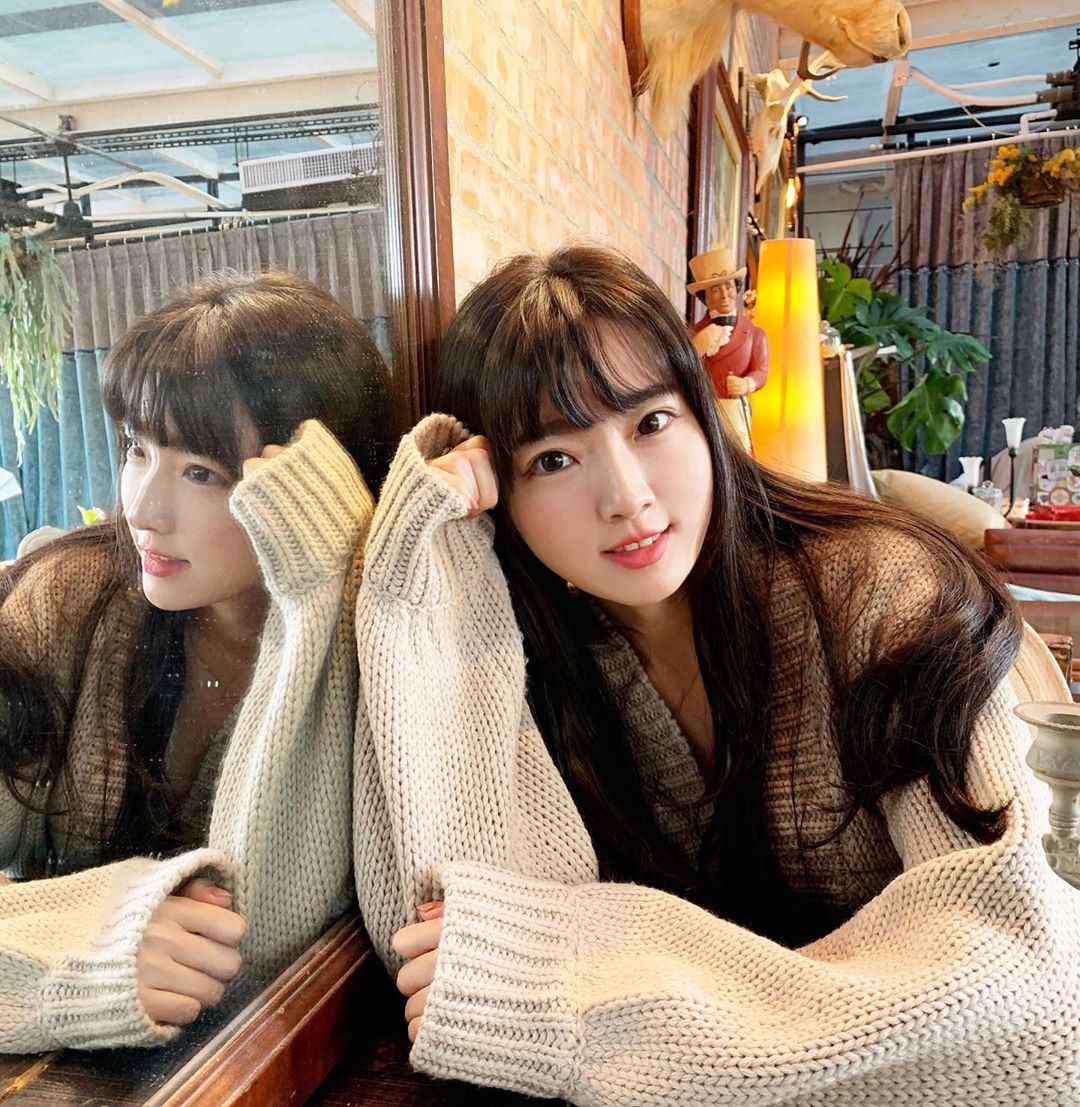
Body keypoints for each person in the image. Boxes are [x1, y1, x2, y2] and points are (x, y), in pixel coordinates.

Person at [353, 244, 1080, 1106]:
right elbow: (438, 945)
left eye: (651, 423)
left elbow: (1034, 1001)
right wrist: (423, 546)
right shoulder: (546, 665)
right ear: (500, 497)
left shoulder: (881, 594)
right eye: (553, 459)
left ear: (704, 417)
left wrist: (608, 988)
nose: (626, 496)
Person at [0, 270, 389, 1053]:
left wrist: (314, 597)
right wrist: (82, 947)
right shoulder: (70, 599)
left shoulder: (374, 646)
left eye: (202, 472)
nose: (141, 508)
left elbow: (265, 944)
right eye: (136, 450)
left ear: (316, 488)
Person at [687, 244, 768, 451]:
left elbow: (761, 370)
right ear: (705, 297)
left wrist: (747, 383)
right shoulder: (692, 335)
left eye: (729, 287)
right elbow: (679, 370)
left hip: (734, 411)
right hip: (703, 409)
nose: (724, 295)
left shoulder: (755, 334)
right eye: (716, 290)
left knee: (738, 453)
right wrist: (696, 348)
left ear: (737, 288)